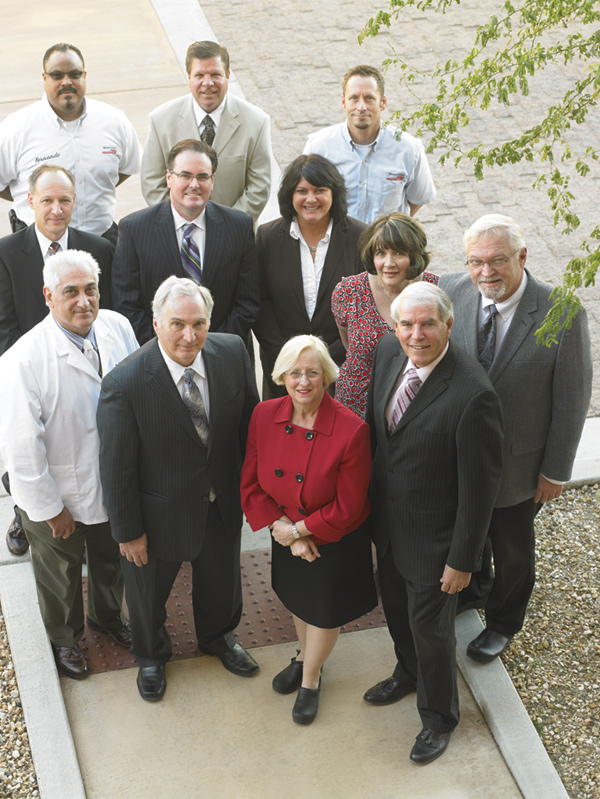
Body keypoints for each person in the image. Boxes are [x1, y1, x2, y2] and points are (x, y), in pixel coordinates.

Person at [97, 277, 260, 702]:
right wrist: (128, 531)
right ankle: (151, 655)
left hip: (220, 504)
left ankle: (219, 636)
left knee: (222, 581)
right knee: (147, 596)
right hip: (157, 516)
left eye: (199, 323)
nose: (190, 336)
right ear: (156, 323)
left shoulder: (233, 351)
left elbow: (251, 426)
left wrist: (252, 493)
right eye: (178, 324)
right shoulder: (125, 382)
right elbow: (116, 467)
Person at [439, 214, 593, 663]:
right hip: (461, 457)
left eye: (498, 260)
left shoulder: (562, 311)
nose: (485, 272)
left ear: (523, 257)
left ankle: (504, 622)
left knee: (512, 550)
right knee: (470, 530)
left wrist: (554, 471)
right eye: (476, 261)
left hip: (519, 466)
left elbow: (572, 399)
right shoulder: (451, 290)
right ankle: (476, 589)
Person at [365, 283, 503, 764]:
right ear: (395, 325)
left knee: (432, 632)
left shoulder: (473, 393)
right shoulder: (388, 352)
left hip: (436, 543)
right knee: (397, 613)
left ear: (448, 324)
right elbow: (379, 440)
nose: (416, 335)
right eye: (407, 324)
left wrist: (463, 560)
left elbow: (479, 491)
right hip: (388, 528)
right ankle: (407, 673)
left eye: (428, 324)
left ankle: (439, 718)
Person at [0, 250, 138, 679]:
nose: (84, 301)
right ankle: (64, 639)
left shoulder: (117, 326)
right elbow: (22, 448)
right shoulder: (22, 360)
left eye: (90, 289)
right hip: (58, 495)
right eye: (71, 292)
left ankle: (106, 617)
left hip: (112, 483)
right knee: (59, 573)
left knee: (110, 560)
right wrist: (50, 509)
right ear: (48, 296)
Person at [241, 335, 377, 725]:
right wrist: (283, 529)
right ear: (281, 376)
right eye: (295, 373)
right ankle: (304, 657)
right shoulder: (263, 415)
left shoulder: (352, 430)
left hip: (333, 536)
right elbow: (250, 483)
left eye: (312, 373)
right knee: (299, 600)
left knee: (322, 612)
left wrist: (302, 532)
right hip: (284, 529)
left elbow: (349, 506)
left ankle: (311, 679)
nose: (303, 382)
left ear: (327, 376)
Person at [0, 164, 114, 557]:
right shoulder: (6, 253)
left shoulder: (97, 249)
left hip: (84, 364)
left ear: (74, 201)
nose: (56, 209)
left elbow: (103, 313)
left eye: (64, 200)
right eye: (46, 200)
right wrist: (29, 367)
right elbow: (4, 326)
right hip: (28, 369)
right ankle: (25, 513)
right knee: (26, 447)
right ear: (29, 200)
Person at [112, 138, 260, 345]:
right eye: (185, 175)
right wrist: (169, 349)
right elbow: (126, 304)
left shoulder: (239, 226)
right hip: (158, 353)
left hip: (224, 352)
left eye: (202, 176)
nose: (194, 184)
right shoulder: (133, 229)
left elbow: (247, 302)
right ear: (169, 178)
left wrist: (211, 348)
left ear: (212, 180)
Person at [0, 43, 141, 245]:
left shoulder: (114, 121)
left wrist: (93, 183)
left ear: (84, 76)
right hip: (38, 247)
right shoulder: (15, 128)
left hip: (102, 243)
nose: (66, 82)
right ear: (44, 78)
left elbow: (127, 168)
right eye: (57, 75)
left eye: (74, 74)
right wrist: (35, 196)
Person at [253, 154, 366, 399]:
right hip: (283, 368)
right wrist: (290, 358)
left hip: (342, 369)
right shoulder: (267, 237)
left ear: (334, 193)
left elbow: (364, 307)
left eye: (320, 190)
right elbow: (260, 303)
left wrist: (324, 359)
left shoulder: (360, 237)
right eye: (302, 191)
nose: (311, 199)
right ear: (290, 195)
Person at [141, 40, 271, 224]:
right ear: (189, 76)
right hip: (178, 233)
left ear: (228, 74)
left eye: (215, 74)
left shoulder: (257, 122)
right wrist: (183, 224)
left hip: (234, 233)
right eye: (199, 75)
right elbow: (152, 183)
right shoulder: (160, 120)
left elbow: (259, 188)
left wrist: (228, 227)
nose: (207, 83)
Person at [331, 212, 438, 418]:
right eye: (380, 253)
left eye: (398, 253)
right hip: (357, 403)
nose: (389, 263)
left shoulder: (436, 290)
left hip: (416, 404)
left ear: (414, 255)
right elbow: (348, 342)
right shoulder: (348, 292)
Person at [303, 65, 436, 224]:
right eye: (354, 98)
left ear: (383, 102)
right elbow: (303, 198)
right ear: (343, 102)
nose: (361, 107)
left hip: (385, 240)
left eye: (369, 98)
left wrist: (391, 230)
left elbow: (418, 198)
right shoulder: (318, 147)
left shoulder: (409, 149)